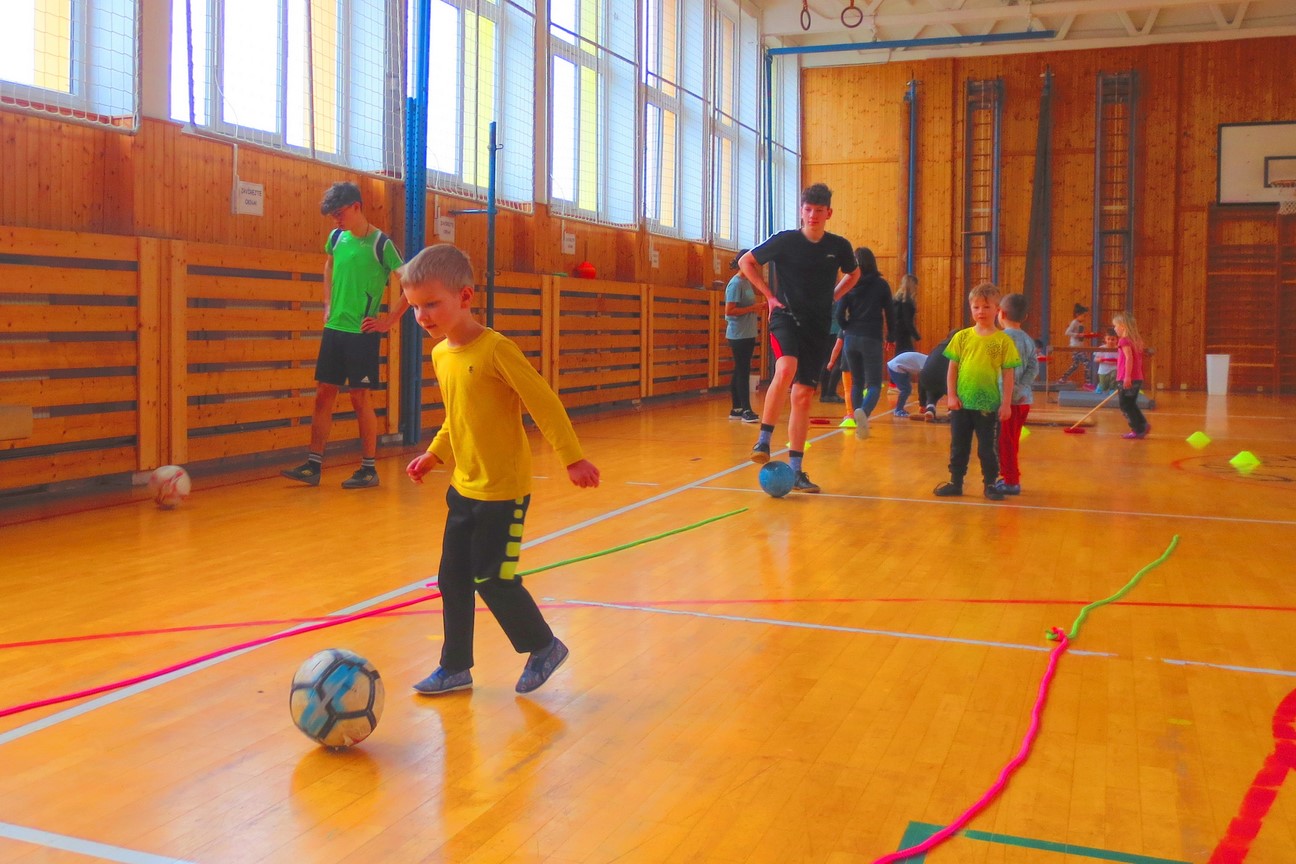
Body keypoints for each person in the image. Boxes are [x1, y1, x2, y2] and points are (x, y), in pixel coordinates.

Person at [402, 244, 601, 695]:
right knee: (452, 579)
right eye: (414, 307)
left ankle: (544, 646)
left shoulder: (496, 350)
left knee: (492, 578)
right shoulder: (441, 355)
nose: (421, 316)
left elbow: (543, 402)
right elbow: (457, 415)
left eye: (431, 304)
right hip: (464, 489)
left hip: (503, 493)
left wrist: (571, 457)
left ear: (465, 296)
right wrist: (435, 454)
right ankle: (455, 667)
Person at [282, 181, 407, 489]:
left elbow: (410, 282)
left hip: (361, 334)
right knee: (323, 394)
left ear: (356, 207)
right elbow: (329, 266)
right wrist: (327, 303)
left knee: (359, 397)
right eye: (333, 216)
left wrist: (389, 320)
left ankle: (368, 469)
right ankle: (313, 466)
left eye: (340, 213)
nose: (336, 220)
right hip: (334, 329)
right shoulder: (336, 237)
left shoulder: (381, 244)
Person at [739, 183, 858, 493]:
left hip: (817, 326)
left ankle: (796, 471)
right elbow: (746, 262)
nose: (813, 215)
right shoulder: (786, 240)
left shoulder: (839, 246)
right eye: (808, 209)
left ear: (829, 213)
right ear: (801, 211)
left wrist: (834, 296)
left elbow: (854, 273)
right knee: (786, 367)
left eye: (819, 210)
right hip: (786, 317)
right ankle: (764, 439)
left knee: (803, 396)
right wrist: (769, 296)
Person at [934, 283, 1021, 501]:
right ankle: (956, 482)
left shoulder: (1003, 341)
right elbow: (952, 369)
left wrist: (1006, 404)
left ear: (997, 309)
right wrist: (951, 395)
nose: (981, 311)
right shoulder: (961, 337)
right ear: (971, 308)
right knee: (959, 446)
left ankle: (990, 484)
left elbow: (1008, 374)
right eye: (976, 307)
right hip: (962, 404)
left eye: (986, 307)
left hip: (988, 405)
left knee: (987, 448)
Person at [836, 247, 895, 440]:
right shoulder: (881, 285)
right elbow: (890, 313)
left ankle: (855, 417)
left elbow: (839, 313)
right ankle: (864, 412)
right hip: (872, 337)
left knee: (857, 382)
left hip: (851, 338)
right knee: (874, 384)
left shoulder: (849, 283)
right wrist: (891, 337)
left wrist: (847, 327)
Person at [993, 293, 1039, 496]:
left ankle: (1011, 481)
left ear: (1001, 313)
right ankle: (1008, 475)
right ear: (1025, 317)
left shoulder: (999, 339)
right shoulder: (1028, 340)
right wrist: (1020, 388)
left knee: (1005, 442)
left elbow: (996, 369)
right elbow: (1033, 368)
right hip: (1023, 400)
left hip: (1006, 401)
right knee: (1011, 440)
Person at [723, 250, 762, 422]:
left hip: (748, 332)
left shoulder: (747, 282)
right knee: (743, 370)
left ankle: (736, 408)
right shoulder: (735, 284)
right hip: (738, 334)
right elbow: (729, 311)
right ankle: (746, 409)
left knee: (740, 369)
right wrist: (753, 308)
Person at [1113, 312, 1151, 439]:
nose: (1114, 329)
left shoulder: (1124, 341)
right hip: (1137, 377)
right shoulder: (1136, 341)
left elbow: (1129, 358)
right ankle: (1142, 425)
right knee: (1131, 404)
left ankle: (1137, 429)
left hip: (1127, 377)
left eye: (1116, 326)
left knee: (1125, 405)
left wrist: (1127, 376)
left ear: (1123, 326)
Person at [917, 329, 959, 420]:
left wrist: (922, 403)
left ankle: (930, 408)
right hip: (945, 380)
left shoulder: (937, 348)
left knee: (932, 387)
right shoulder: (959, 349)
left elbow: (924, 371)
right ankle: (953, 410)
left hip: (926, 378)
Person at [1056, 302, 1090, 385]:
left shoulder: (1080, 323)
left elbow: (1080, 336)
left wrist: (1084, 335)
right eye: (1083, 315)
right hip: (1075, 347)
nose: (1085, 317)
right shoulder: (1074, 322)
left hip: (1079, 346)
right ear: (1077, 314)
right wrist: (1077, 335)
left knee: (1075, 365)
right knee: (1087, 362)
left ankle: (1063, 378)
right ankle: (1088, 382)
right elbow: (1067, 332)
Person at [885, 351, 928, 418]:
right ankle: (898, 410)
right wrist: (922, 404)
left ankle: (899, 409)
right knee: (906, 389)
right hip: (896, 366)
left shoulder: (928, 361)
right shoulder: (927, 365)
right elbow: (922, 385)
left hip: (901, 367)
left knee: (906, 389)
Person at [892, 274, 921, 354]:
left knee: (900, 354)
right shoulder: (906, 302)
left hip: (897, 332)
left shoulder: (896, 300)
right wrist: (916, 335)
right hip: (904, 334)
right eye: (915, 285)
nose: (916, 288)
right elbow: (907, 320)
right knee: (907, 355)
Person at [1092, 328, 1119, 393]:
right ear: (1105, 339)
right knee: (1104, 386)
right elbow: (1095, 359)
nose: (1110, 341)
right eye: (1108, 339)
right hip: (1103, 370)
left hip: (1114, 368)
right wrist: (1099, 359)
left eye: (1113, 339)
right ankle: (1100, 386)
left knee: (1114, 376)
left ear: (1116, 340)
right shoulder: (1102, 348)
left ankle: (1112, 389)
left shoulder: (1118, 349)